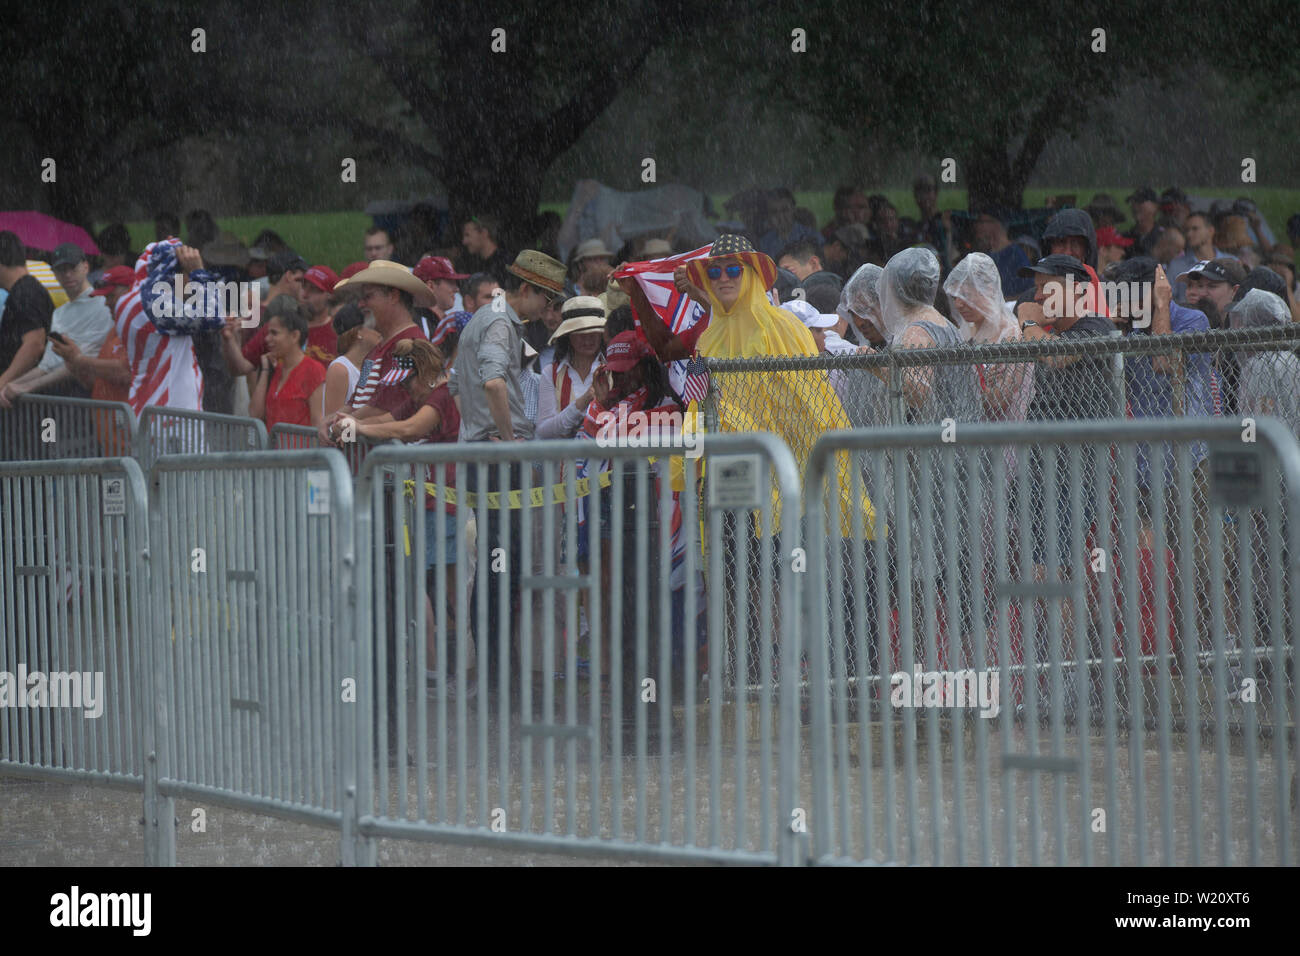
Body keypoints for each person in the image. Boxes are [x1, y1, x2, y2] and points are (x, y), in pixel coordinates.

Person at [450, 249, 564, 692]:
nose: (549, 311)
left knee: (497, 565)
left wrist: (477, 430)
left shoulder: (483, 316)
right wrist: (507, 439)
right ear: (527, 290)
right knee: (503, 565)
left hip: (485, 454)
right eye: (548, 301)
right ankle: (499, 671)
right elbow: (493, 382)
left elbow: (459, 385)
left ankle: (499, 667)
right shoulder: (499, 321)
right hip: (499, 460)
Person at [333, 337, 464, 683]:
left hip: (443, 503)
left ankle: (451, 669)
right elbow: (389, 419)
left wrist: (357, 427)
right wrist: (347, 420)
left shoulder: (441, 395)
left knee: (443, 589)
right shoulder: (418, 395)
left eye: (408, 382)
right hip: (424, 502)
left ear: (423, 373)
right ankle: (437, 669)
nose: (406, 389)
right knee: (420, 583)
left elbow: (409, 428)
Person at [112, 238, 227, 416]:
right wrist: (199, 271)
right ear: (171, 274)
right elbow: (215, 317)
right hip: (171, 417)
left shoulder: (128, 300)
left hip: (148, 408)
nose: (190, 282)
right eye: (186, 274)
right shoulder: (154, 303)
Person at [324, 259, 434, 431]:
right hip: (374, 452)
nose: (361, 305)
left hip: (393, 454)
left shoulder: (411, 346)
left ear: (393, 296)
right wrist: (330, 422)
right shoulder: (374, 351)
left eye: (368, 297)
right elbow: (357, 398)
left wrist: (338, 423)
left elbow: (385, 405)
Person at [0, 242, 111, 405]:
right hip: (62, 398)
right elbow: (47, 365)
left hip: (91, 396)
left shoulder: (104, 306)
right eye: (61, 269)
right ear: (54, 273)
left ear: (85, 267)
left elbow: (78, 363)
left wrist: (26, 386)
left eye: (72, 267)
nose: (67, 274)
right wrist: (11, 385)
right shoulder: (59, 313)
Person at [0, 232, 56, 439]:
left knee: (34, 461)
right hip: (27, 399)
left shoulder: (25, 293)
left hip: (35, 405)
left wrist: (3, 382)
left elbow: (34, 344)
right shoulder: (23, 291)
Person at [246, 298, 326, 430]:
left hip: (302, 450)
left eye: (274, 333)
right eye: (267, 333)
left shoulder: (313, 370)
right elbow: (255, 414)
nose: (267, 339)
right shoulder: (277, 369)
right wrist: (265, 370)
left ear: (294, 336)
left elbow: (318, 423)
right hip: (275, 450)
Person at [536, 296, 605, 438]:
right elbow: (543, 431)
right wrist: (583, 402)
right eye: (580, 333)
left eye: (594, 332)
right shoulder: (551, 373)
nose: (588, 339)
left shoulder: (614, 370)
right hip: (566, 460)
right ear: (568, 335)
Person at [321, 303, 381, 420]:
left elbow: (361, 401)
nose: (380, 333)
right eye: (375, 328)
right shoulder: (340, 368)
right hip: (347, 437)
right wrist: (352, 437)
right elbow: (332, 420)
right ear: (359, 332)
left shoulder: (368, 365)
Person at [973, 211, 1033, 299]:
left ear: (995, 223)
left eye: (981, 222)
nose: (977, 226)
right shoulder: (986, 255)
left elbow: (1027, 292)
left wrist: (1001, 304)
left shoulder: (1015, 254)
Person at [1168, 212, 1222, 303]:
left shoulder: (1230, 262)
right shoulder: (1176, 265)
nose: (1189, 234)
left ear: (1211, 231)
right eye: (1187, 230)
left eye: (1195, 229)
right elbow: (1168, 299)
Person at [412, 255, 470, 340]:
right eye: (450, 283)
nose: (456, 289)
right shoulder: (418, 325)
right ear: (430, 286)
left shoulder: (448, 324)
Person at [756, 188, 821, 261]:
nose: (780, 216)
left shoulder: (811, 236)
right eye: (774, 212)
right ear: (769, 216)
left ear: (793, 210)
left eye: (785, 210)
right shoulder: (765, 242)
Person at [458, 215, 511, 284]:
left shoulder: (506, 262)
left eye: (467, 235)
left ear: (484, 233)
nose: (464, 241)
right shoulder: (472, 263)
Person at [1124, 187, 1165, 257]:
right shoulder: (1125, 237)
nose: (1136, 205)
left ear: (1155, 206)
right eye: (1133, 201)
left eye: (1141, 201)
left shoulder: (1164, 236)